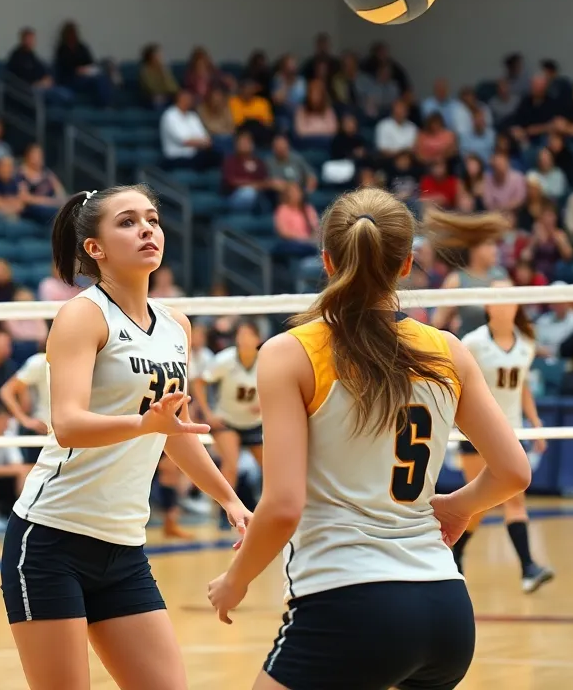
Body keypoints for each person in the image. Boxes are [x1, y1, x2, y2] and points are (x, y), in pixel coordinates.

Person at [206, 189, 532, 690]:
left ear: (328, 261)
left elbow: (284, 504)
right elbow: (514, 472)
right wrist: (460, 506)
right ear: (406, 266)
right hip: (446, 608)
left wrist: (236, 580)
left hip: (349, 601)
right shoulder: (449, 350)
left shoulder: (291, 352)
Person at [1, 185, 252, 690]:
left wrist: (230, 498)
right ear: (94, 248)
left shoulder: (176, 325)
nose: (147, 230)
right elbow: (68, 423)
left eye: (153, 219)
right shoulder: (82, 314)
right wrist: (145, 425)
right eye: (128, 221)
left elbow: (172, 432)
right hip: (51, 541)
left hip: (123, 548)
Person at [454, 283, 554, 592]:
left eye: (512, 299)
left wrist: (535, 423)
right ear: (488, 307)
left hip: (511, 432)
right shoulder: (472, 342)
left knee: (513, 499)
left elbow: (522, 387)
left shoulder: (526, 343)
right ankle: (453, 554)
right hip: (476, 431)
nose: (507, 305)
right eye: (500, 299)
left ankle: (528, 568)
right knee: (478, 506)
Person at [192, 320, 264, 504]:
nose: (244, 339)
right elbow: (199, 383)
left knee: (271, 470)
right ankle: (227, 514)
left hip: (255, 422)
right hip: (227, 420)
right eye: (241, 335)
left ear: (258, 339)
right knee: (230, 466)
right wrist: (208, 413)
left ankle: (270, 513)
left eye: (248, 335)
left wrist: (266, 404)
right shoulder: (225, 359)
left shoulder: (267, 359)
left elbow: (281, 387)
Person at [430, 212, 509, 336]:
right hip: (467, 349)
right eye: (489, 244)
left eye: (494, 245)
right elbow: (436, 322)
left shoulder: (501, 276)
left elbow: (511, 317)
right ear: (474, 248)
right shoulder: (456, 280)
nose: (494, 250)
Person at [0, 343, 51, 464]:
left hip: (73, 431)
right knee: (35, 479)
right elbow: (6, 391)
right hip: (43, 432)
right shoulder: (40, 362)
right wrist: (25, 420)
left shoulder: (84, 360)